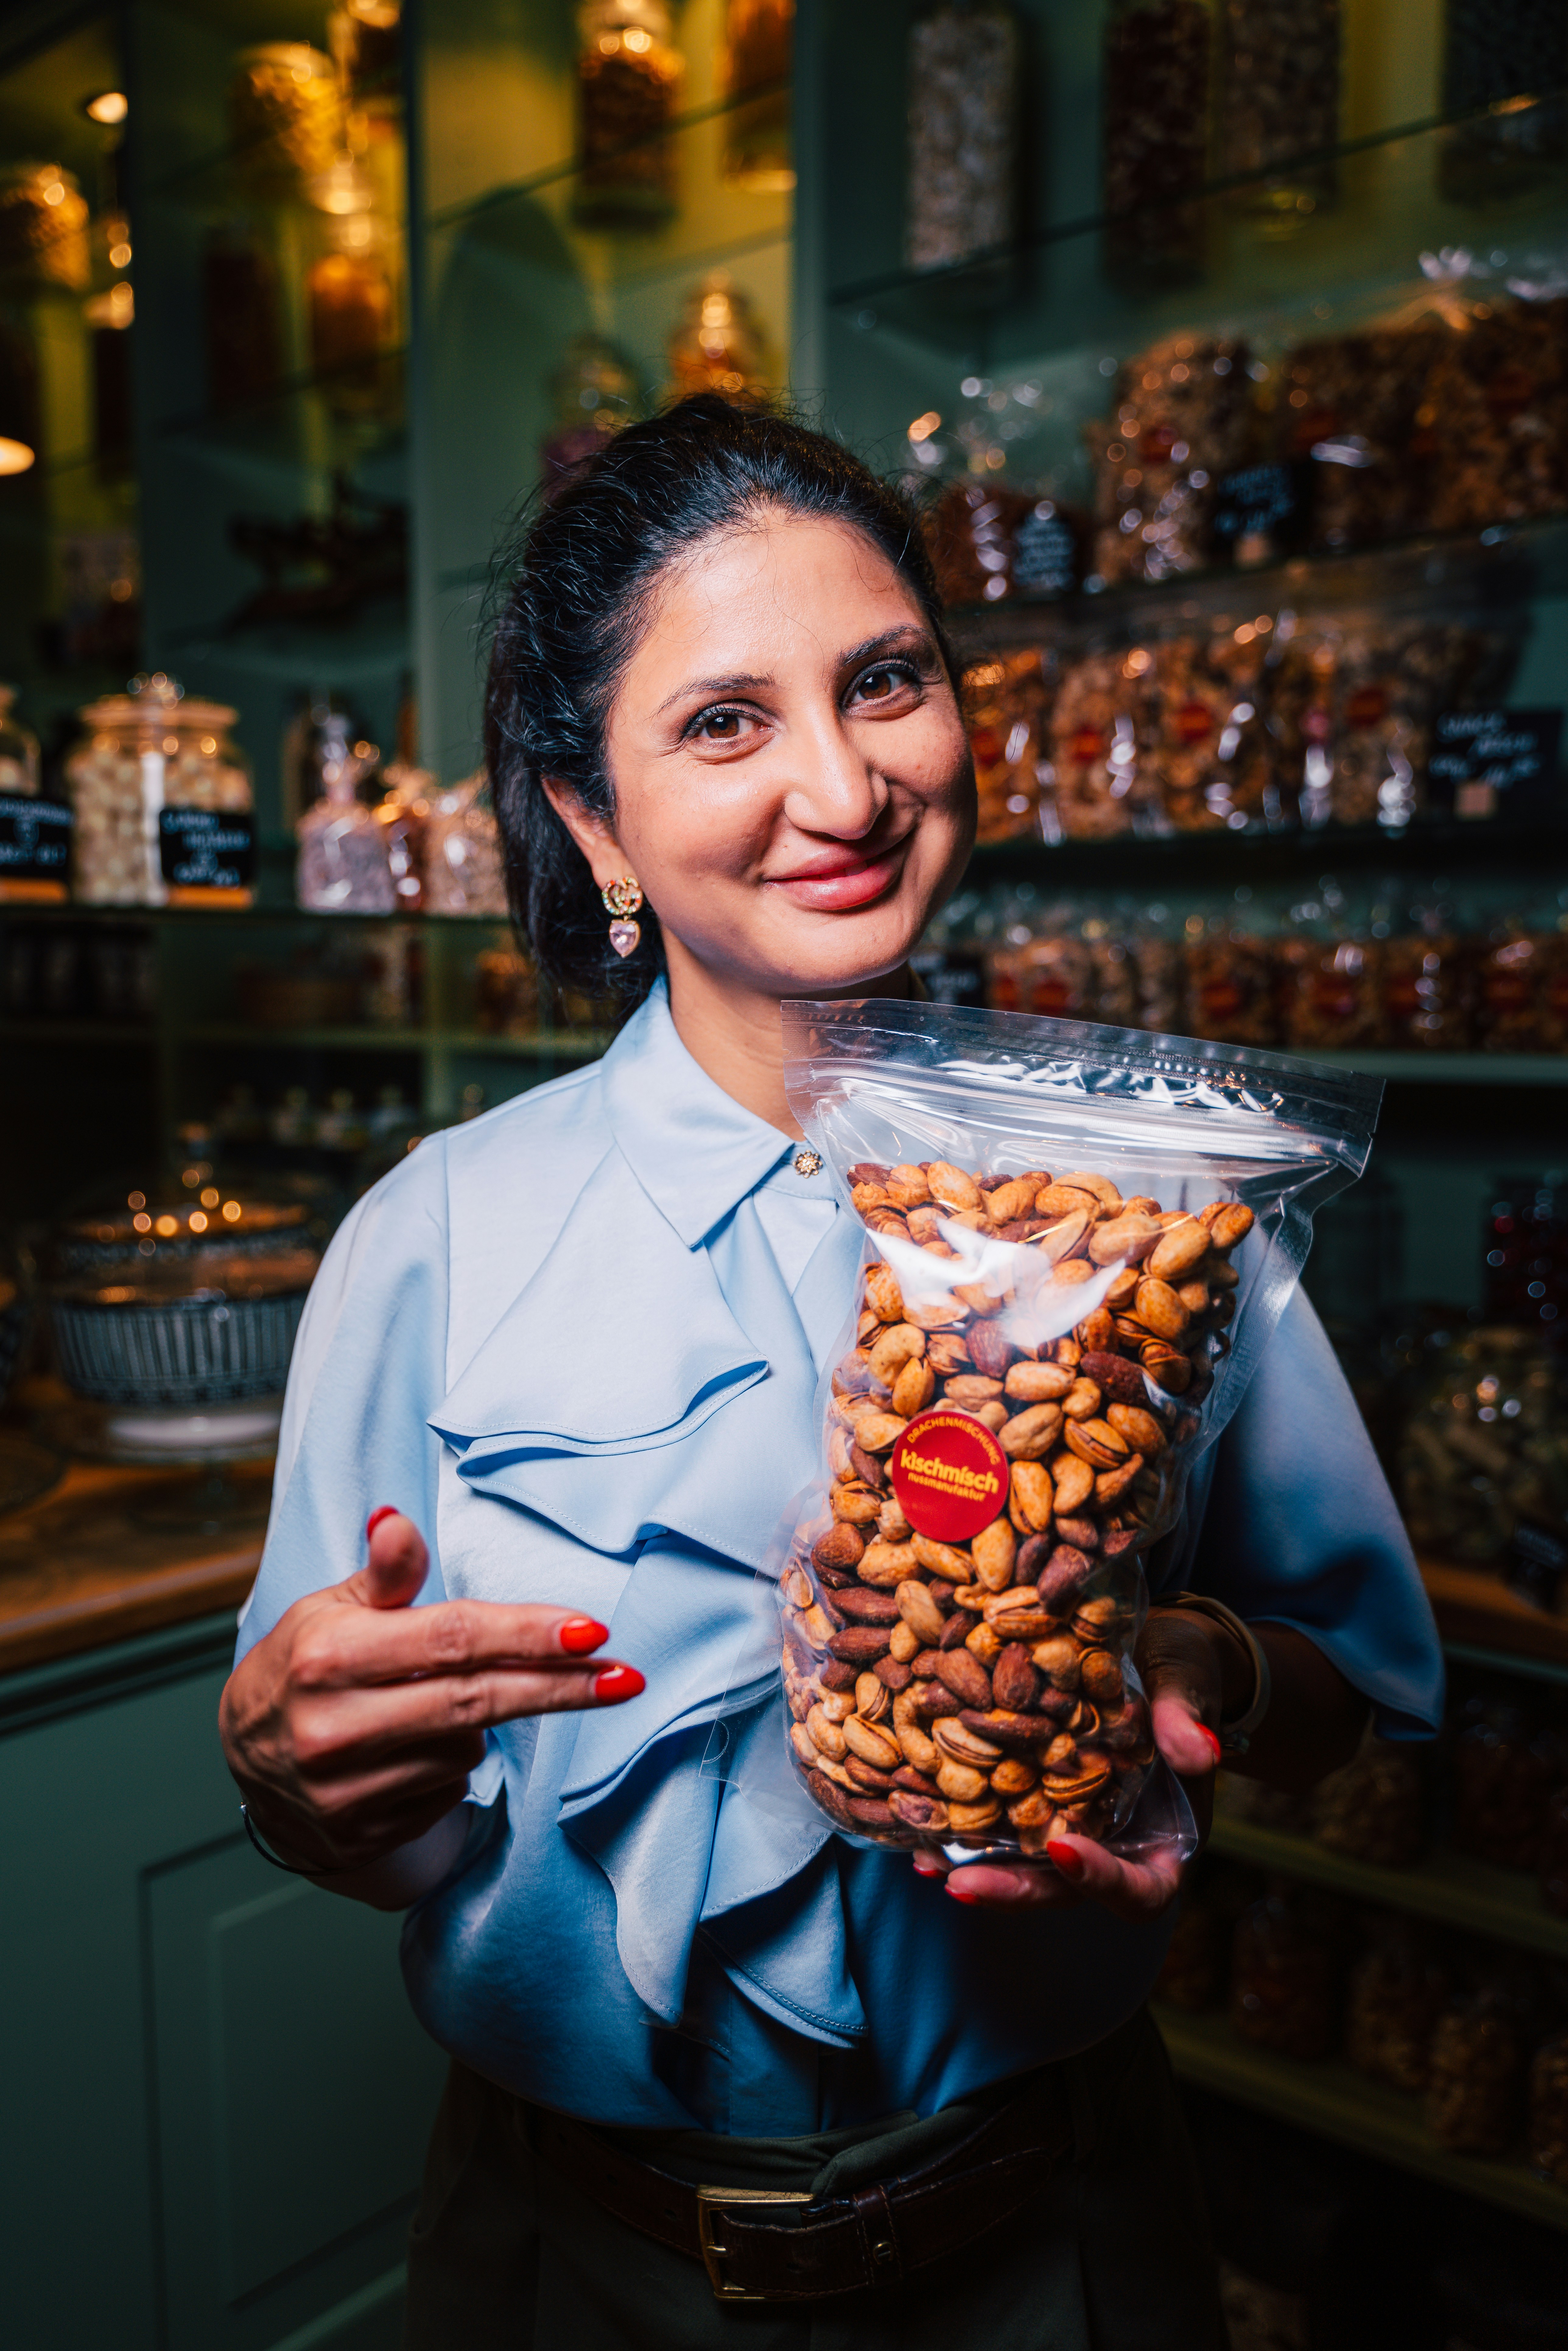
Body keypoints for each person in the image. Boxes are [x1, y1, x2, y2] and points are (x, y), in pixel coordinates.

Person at [220, 396, 1443, 2349]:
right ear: (589, 814)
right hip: (574, 2266)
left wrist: (1200, 1674)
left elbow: (1343, 1693)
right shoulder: (437, 1235)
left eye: (886, 683)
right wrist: (307, 1785)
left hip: (1063, 2240)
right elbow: (359, 1823)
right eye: (724, 721)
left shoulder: (1152, 1215)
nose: (846, 786)